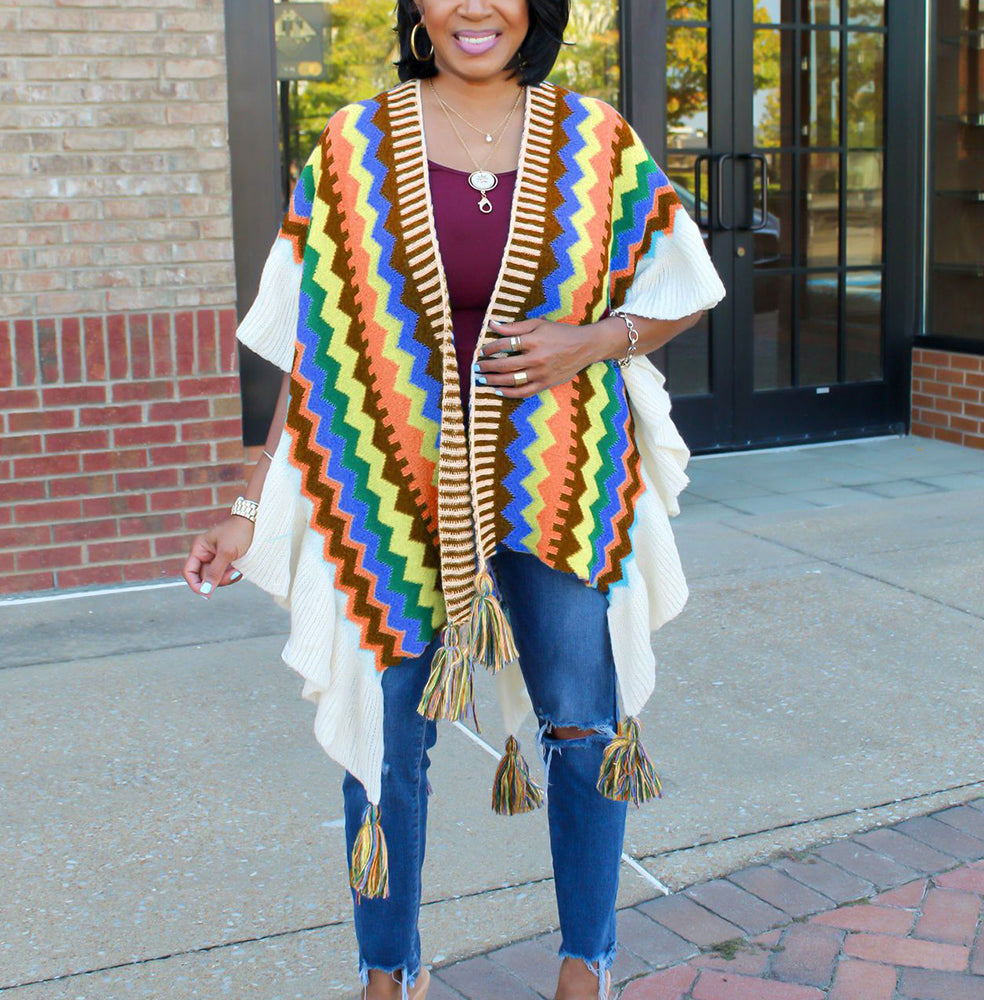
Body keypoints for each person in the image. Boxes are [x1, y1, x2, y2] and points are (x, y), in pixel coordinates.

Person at [181, 1, 726, 998]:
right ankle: (387, 973)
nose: (475, 7)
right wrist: (251, 503)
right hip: (384, 485)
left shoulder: (596, 138)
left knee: (581, 724)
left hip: (559, 475)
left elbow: (684, 283)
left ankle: (584, 967)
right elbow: (316, 352)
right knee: (385, 743)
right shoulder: (353, 144)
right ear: (416, 6)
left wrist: (594, 339)